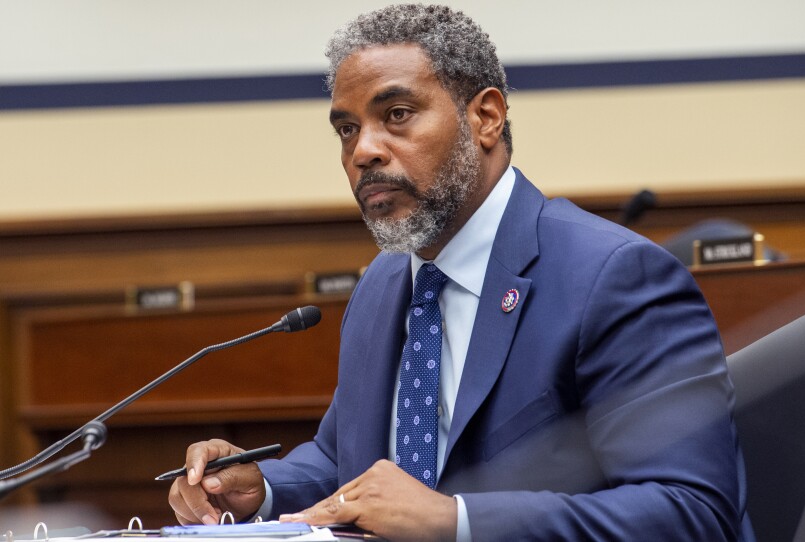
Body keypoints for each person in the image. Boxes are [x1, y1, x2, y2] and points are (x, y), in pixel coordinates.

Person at [168, 4, 754, 540]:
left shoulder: (615, 276)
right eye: (346, 129)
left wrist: (457, 522)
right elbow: (345, 460)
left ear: (487, 118)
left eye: (396, 115)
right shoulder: (384, 283)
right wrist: (259, 491)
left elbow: (693, 512)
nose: (363, 151)